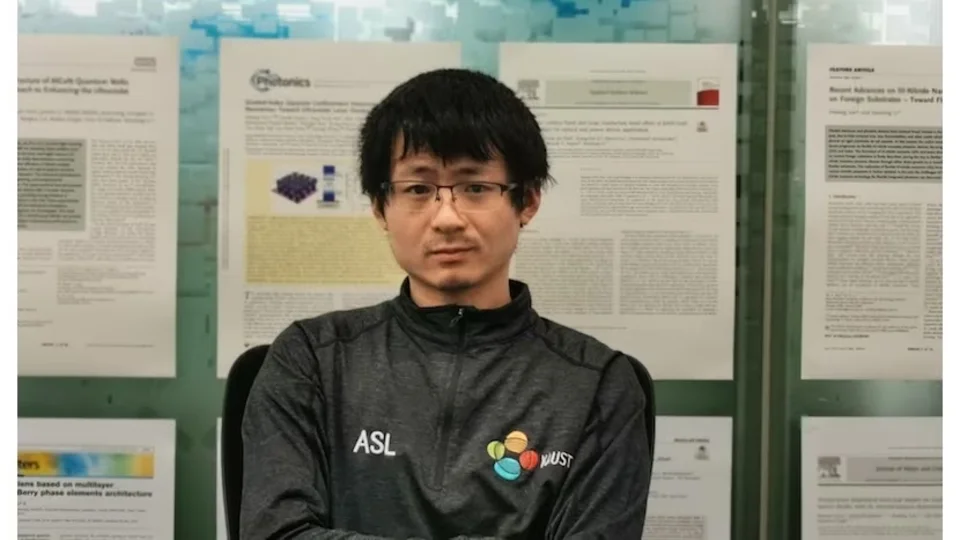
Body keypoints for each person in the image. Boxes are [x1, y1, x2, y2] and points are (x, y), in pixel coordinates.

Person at [239, 68, 655, 539]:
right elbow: (276, 532)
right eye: (418, 189)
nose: (447, 218)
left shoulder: (597, 385)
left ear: (527, 200)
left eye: (475, 187)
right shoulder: (312, 359)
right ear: (380, 207)